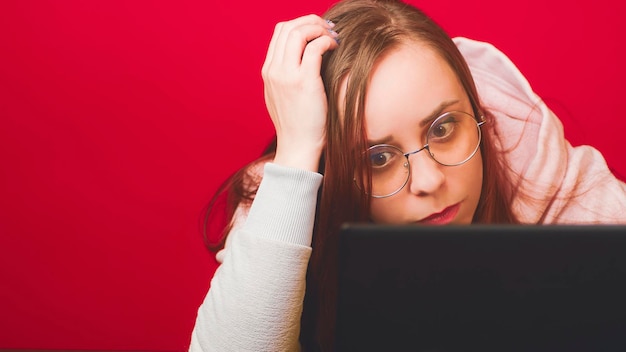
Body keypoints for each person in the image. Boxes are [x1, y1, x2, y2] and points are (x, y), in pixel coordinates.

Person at [189, 0, 626, 350]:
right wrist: (299, 152)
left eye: (443, 129)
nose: (429, 180)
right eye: (377, 158)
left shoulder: (521, 149)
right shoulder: (291, 189)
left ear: (478, 114)